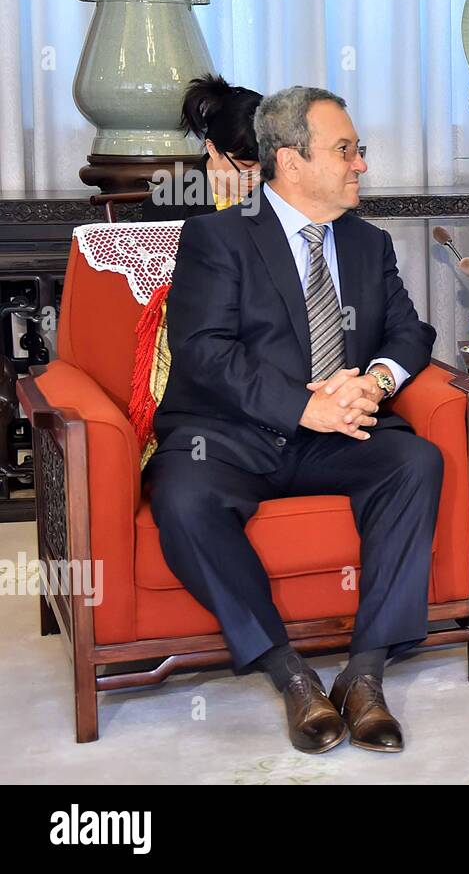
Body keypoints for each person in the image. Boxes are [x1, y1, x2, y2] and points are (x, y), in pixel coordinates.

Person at [144, 86, 440, 753]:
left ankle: (365, 673)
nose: (360, 163)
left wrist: (376, 380)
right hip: (229, 436)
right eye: (345, 150)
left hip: (338, 438)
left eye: (359, 149)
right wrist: (305, 404)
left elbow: (409, 331)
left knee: (416, 461)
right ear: (292, 161)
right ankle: (290, 673)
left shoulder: (368, 243)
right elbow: (205, 352)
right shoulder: (217, 237)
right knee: (183, 499)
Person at [142, 73, 263, 220]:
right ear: (212, 148)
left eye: (267, 165)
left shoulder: (278, 194)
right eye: (246, 166)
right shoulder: (167, 207)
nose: (257, 179)